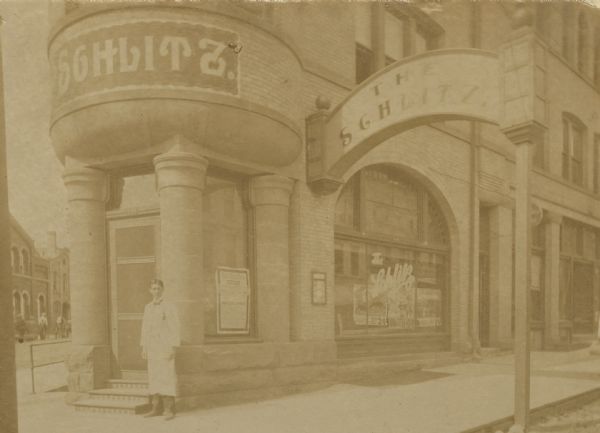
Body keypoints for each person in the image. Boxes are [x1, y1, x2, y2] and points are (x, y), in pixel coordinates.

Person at [140, 279, 180, 421]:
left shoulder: (169, 307)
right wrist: (144, 347)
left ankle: (169, 409)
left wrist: (173, 347)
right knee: (154, 376)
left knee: (166, 376)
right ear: (150, 290)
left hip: (165, 347)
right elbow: (145, 328)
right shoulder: (148, 307)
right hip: (152, 348)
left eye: (158, 288)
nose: (156, 291)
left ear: (163, 290)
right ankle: (155, 408)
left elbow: (174, 327)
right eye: (154, 289)